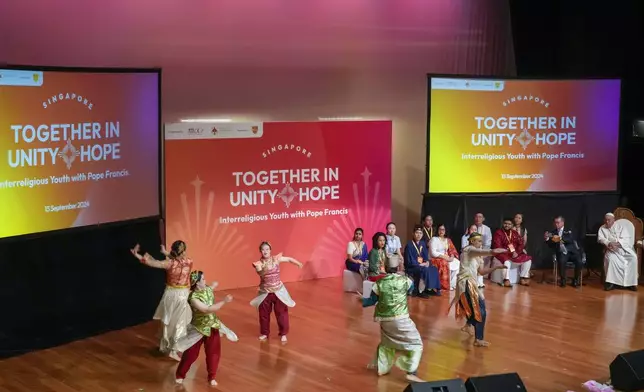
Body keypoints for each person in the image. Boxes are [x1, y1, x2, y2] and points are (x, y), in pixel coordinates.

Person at [365, 254, 425, 382]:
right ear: (398, 267)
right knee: (416, 343)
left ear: (385, 267)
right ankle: (411, 372)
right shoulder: (405, 281)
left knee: (386, 343)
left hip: (385, 321)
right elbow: (410, 290)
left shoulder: (379, 283)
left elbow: (369, 301)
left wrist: (361, 299)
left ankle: (382, 368)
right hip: (401, 319)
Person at [131, 241, 193, 360]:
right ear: (183, 252)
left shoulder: (168, 264)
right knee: (179, 322)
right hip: (182, 295)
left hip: (170, 294)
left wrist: (137, 255)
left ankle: (167, 346)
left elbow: (152, 263)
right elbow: (178, 259)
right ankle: (173, 349)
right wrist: (166, 252)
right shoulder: (189, 262)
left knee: (169, 321)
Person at [175, 271, 237, 386]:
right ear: (197, 283)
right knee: (190, 354)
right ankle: (180, 375)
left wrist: (214, 285)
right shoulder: (193, 298)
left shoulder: (207, 289)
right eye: (203, 279)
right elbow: (207, 309)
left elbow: (210, 288)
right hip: (198, 329)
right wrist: (224, 301)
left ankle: (212, 376)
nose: (205, 281)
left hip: (212, 326)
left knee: (213, 353)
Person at [448, 233, 508, 347]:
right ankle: (478, 339)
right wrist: (495, 251)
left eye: (481, 241)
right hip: (465, 282)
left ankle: (468, 325)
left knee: (479, 307)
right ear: (472, 241)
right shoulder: (469, 250)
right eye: (479, 241)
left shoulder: (478, 257)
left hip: (472, 283)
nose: (481, 243)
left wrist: (496, 267)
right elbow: (487, 252)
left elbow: (481, 272)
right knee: (481, 311)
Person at [250, 242, 303, 342]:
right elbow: (260, 273)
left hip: (278, 291)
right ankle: (265, 333)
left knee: (281, 313)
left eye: (267, 249)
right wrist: (261, 269)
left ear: (270, 250)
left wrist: (298, 263)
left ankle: (283, 333)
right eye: (263, 249)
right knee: (263, 314)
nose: (265, 251)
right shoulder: (259, 263)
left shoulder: (276, 259)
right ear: (260, 251)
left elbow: (289, 259)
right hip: (265, 292)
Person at [598, 213, 638, 291]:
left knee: (633, 258)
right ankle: (611, 283)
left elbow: (626, 239)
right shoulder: (602, 228)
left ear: (613, 220)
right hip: (612, 250)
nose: (607, 222)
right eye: (605, 220)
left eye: (609, 220)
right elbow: (600, 239)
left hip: (623, 249)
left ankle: (631, 283)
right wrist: (609, 243)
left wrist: (617, 244)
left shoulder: (621, 226)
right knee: (611, 259)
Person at [492, 218, 532, 287]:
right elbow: (497, 246)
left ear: (512, 225)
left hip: (514, 253)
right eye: (505, 223)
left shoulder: (515, 233)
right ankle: (506, 279)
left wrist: (517, 252)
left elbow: (521, 244)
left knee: (527, 259)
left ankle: (523, 277)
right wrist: (509, 252)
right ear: (503, 224)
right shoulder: (498, 233)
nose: (507, 225)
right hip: (502, 253)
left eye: (509, 224)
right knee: (506, 261)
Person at [545, 215, 583, 288]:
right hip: (562, 252)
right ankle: (563, 280)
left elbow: (570, 239)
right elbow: (550, 245)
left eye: (558, 222)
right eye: (555, 223)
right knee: (562, 260)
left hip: (572, 252)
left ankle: (575, 280)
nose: (556, 224)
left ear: (562, 222)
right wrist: (547, 239)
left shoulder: (569, 229)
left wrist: (558, 238)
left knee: (579, 262)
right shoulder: (553, 232)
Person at [404, 225, 441, 298]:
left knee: (434, 269)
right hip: (412, 266)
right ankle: (420, 291)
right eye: (417, 233)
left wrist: (427, 262)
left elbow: (425, 256)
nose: (418, 235)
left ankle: (429, 289)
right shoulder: (409, 245)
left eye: (420, 233)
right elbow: (409, 260)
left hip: (422, 265)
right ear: (413, 233)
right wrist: (419, 264)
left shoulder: (423, 243)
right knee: (425, 270)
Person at [430, 224, 461, 290]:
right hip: (437, 258)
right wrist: (445, 257)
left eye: (443, 229)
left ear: (445, 231)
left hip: (447, 258)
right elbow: (433, 253)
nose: (441, 231)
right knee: (444, 263)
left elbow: (452, 250)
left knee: (458, 263)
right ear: (437, 230)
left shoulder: (447, 240)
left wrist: (452, 257)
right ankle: (446, 285)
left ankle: (452, 284)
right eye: (440, 229)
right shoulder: (434, 239)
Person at [473, 213, 492, 288]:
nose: (478, 219)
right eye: (476, 217)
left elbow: (488, 242)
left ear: (483, 219)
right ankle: (475, 279)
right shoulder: (471, 227)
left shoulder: (487, 229)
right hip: (472, 250)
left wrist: (482, 252)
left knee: (481, 259)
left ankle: (480, 280)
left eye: (480, 217)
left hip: (482, 250)